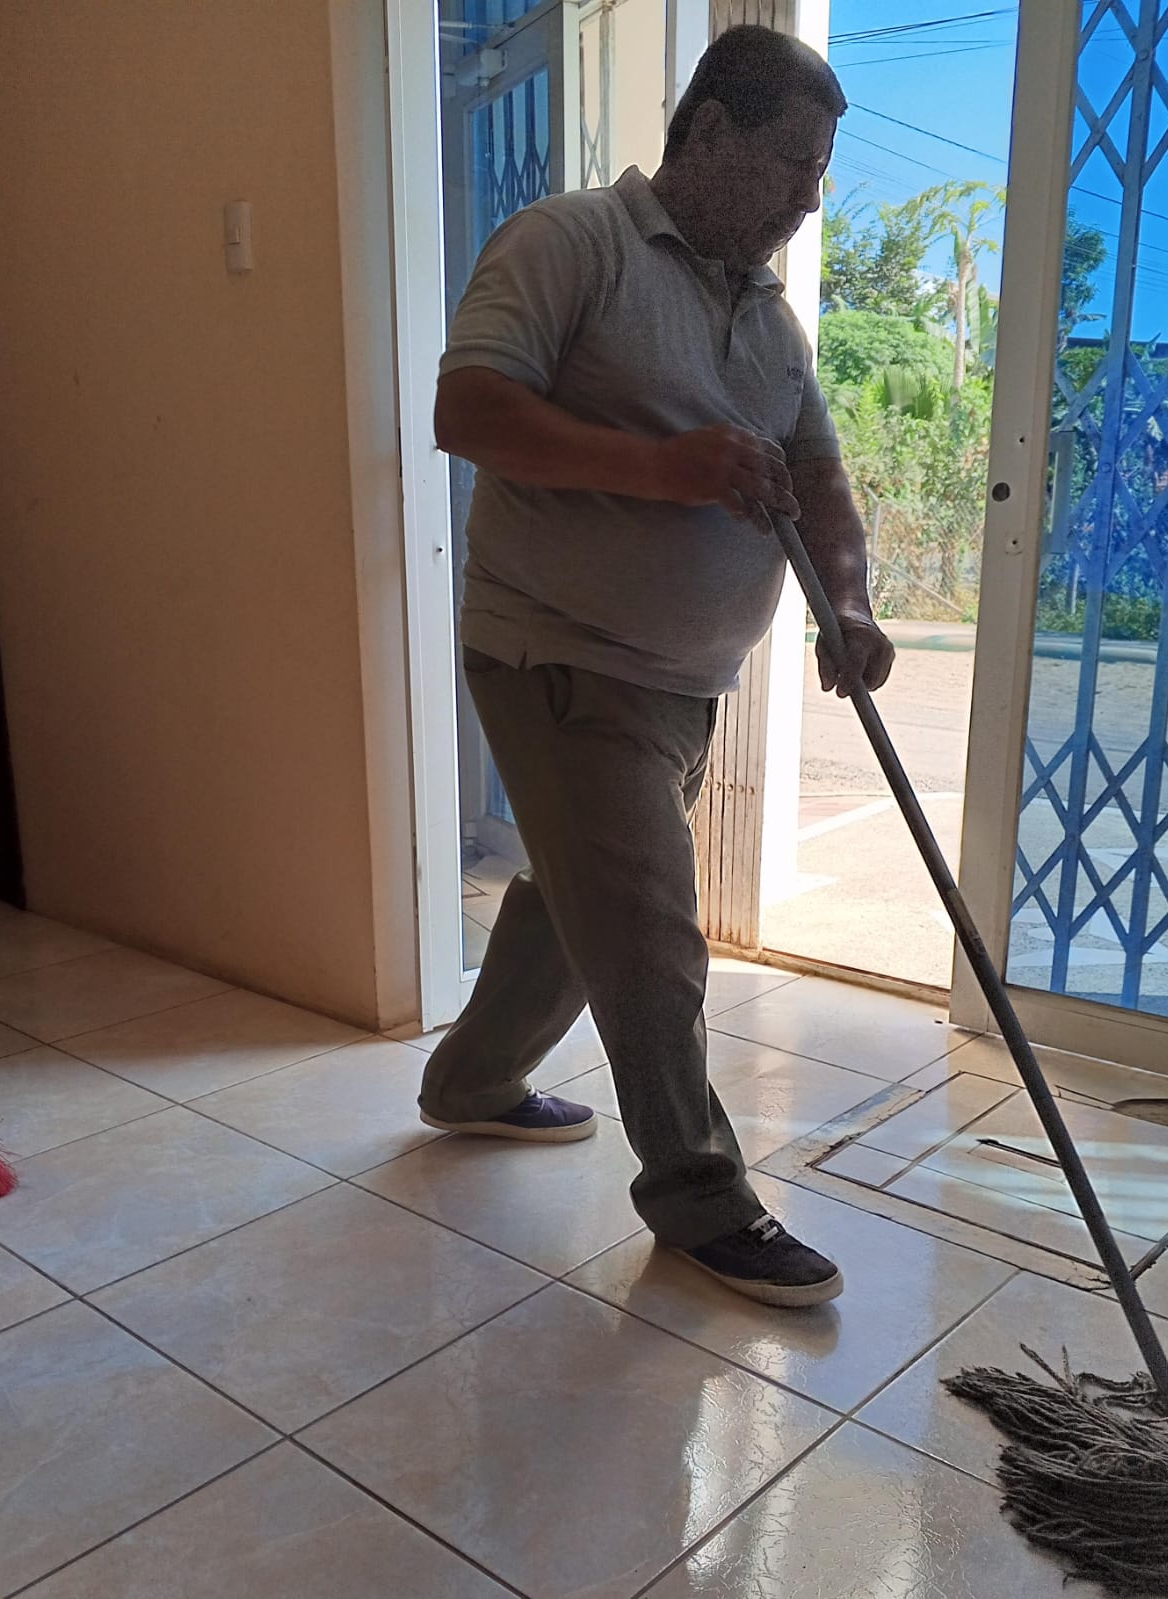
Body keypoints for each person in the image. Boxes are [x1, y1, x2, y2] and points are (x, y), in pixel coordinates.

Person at [418, 25, 894, 1307]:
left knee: (576, 905)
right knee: (649, 931)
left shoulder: (770, 318)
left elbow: (818, 479)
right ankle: (699, 1197)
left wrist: (845, 603)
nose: (808, 196)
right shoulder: (570, 242)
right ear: (712, 131)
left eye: (820, 172)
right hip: (557, 652)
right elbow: (469, 410)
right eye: (793, 162)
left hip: (687, 684)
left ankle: (468, 1081)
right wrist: (664, 469)